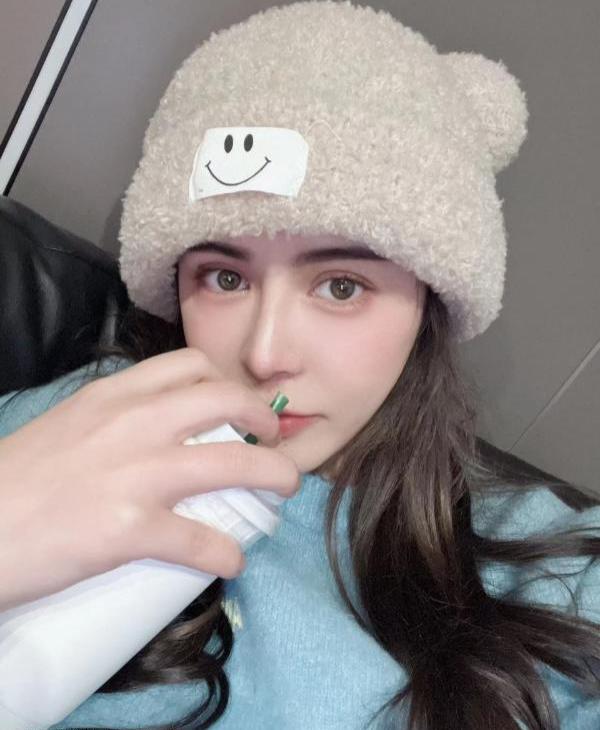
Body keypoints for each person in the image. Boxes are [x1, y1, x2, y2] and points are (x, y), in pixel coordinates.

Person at [0, 2, 599, 729]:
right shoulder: (77, 420)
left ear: (428, 302)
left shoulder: (553, 577)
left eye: (341, 287)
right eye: (225, 277)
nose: (265, 354)